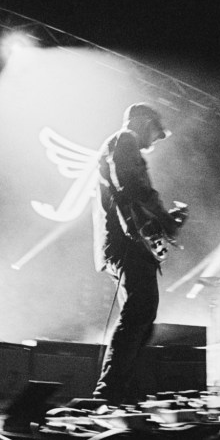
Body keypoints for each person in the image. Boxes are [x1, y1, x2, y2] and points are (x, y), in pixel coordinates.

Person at [91, 103, 185, 407]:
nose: (155, 140)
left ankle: (121, 389)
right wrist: (166, 220)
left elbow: (132, 198)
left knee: (142, 315)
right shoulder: (125, 139)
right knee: (140, 312)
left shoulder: (122, 144)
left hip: (126, 242)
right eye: (156, 132)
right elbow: (131, 188)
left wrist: (162, 221)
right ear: (144, 123)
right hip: (127, 243)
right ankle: (109, 392)